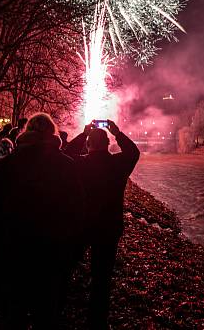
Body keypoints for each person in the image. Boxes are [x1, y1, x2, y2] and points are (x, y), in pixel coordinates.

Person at [0, 113, 85, 328]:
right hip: (52, 252)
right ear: (53, 134)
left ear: (26, 132)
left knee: (14, 313)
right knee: (46, 314)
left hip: (13, 249)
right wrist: (73, 251)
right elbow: (78, 211)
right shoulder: (66, 166)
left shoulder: (8, 164)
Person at [76, 120, 140, 329]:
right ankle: (97, 321)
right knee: (101, 278)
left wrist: (82, 134)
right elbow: (133, 152)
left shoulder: (80, 164)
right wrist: (117, 132)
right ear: (108, 144)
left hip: (81, 225)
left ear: (88, 144)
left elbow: (64, 154)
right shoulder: (117, 164)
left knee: (67, 269)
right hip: (109, 226)